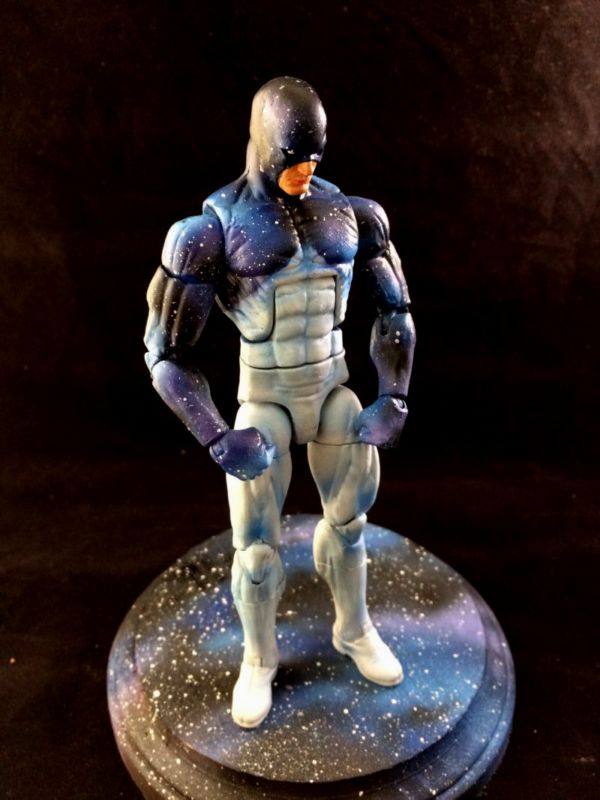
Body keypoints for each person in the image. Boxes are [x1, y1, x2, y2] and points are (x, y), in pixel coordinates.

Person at [144, 77, 416, 728]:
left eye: (314, 159)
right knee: (257, 551)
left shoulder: (352, 214)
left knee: (350, 525)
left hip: (331, 388)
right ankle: (259, 658)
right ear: (262, 145)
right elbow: (165, 354)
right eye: (292, 158)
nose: (304, 171)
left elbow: (396, 312)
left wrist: (394, 395)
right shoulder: (211, 230)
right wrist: (215, 434)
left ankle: (353, 629)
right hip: (264, 399)